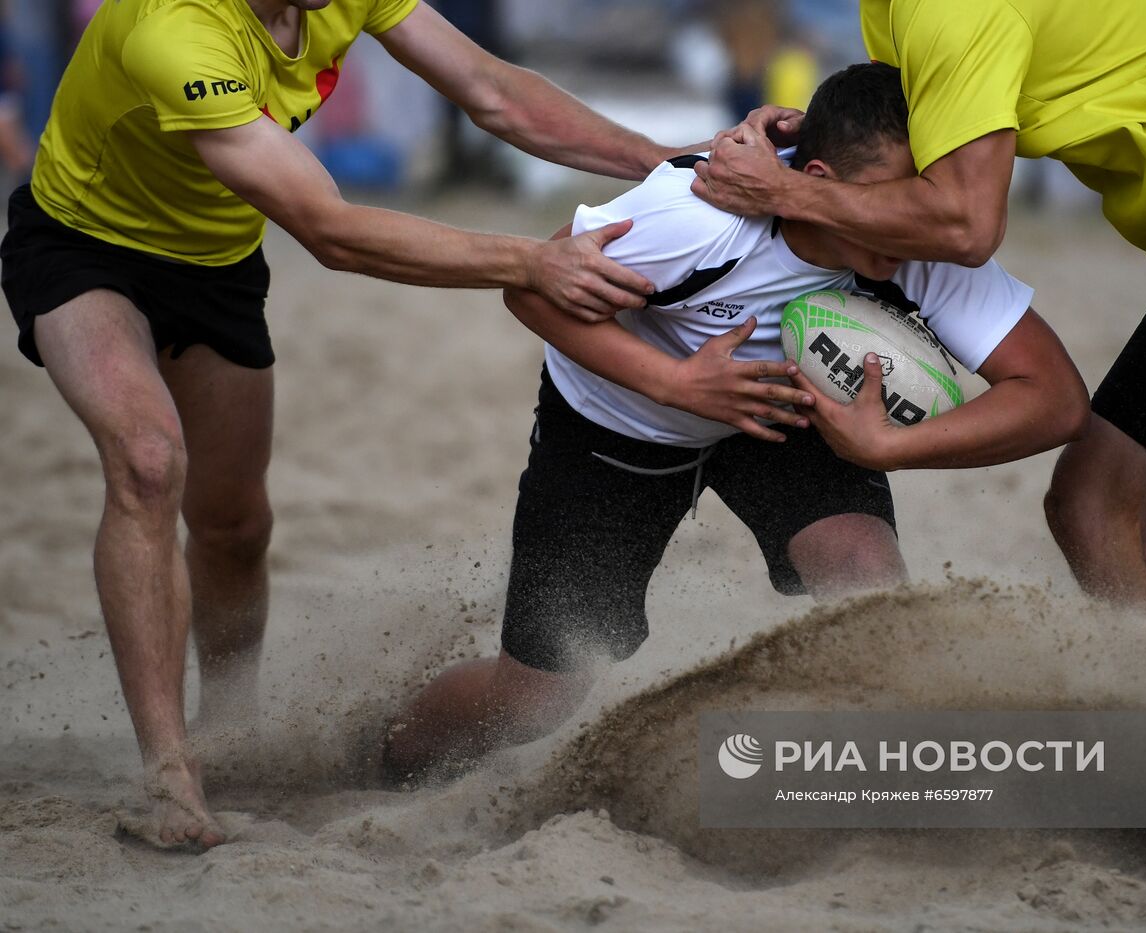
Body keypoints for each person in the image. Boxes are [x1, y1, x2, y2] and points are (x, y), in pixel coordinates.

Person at [1, 0, 699, 851]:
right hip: (84, 247)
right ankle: (170, 776)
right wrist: (530, 260)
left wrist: (667, 159)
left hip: (215, 262)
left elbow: (492, 90)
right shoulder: (174, 30)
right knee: (148, 462)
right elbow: (331, 231)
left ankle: (230, 732)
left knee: (235, 524)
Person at [381, 63, 1088, 781]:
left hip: (783, 408)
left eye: (920, 199)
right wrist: (678, 382)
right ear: (813, 177)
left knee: (871, 588)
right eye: (887, 199)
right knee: (534, 699)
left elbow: (1055, 396)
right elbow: (532, 291)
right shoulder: (697, 216)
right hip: (618, 423)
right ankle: (386, 756)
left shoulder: (925, 242)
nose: (904, 220)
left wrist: (892, 445)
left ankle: (896, 793)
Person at [692, 0, 1146, 635]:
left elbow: (968, 224)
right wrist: (814, 138)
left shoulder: (949, 9)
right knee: (1090, 509)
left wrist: (783, 189)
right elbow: (906, 121)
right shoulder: (896, 11)